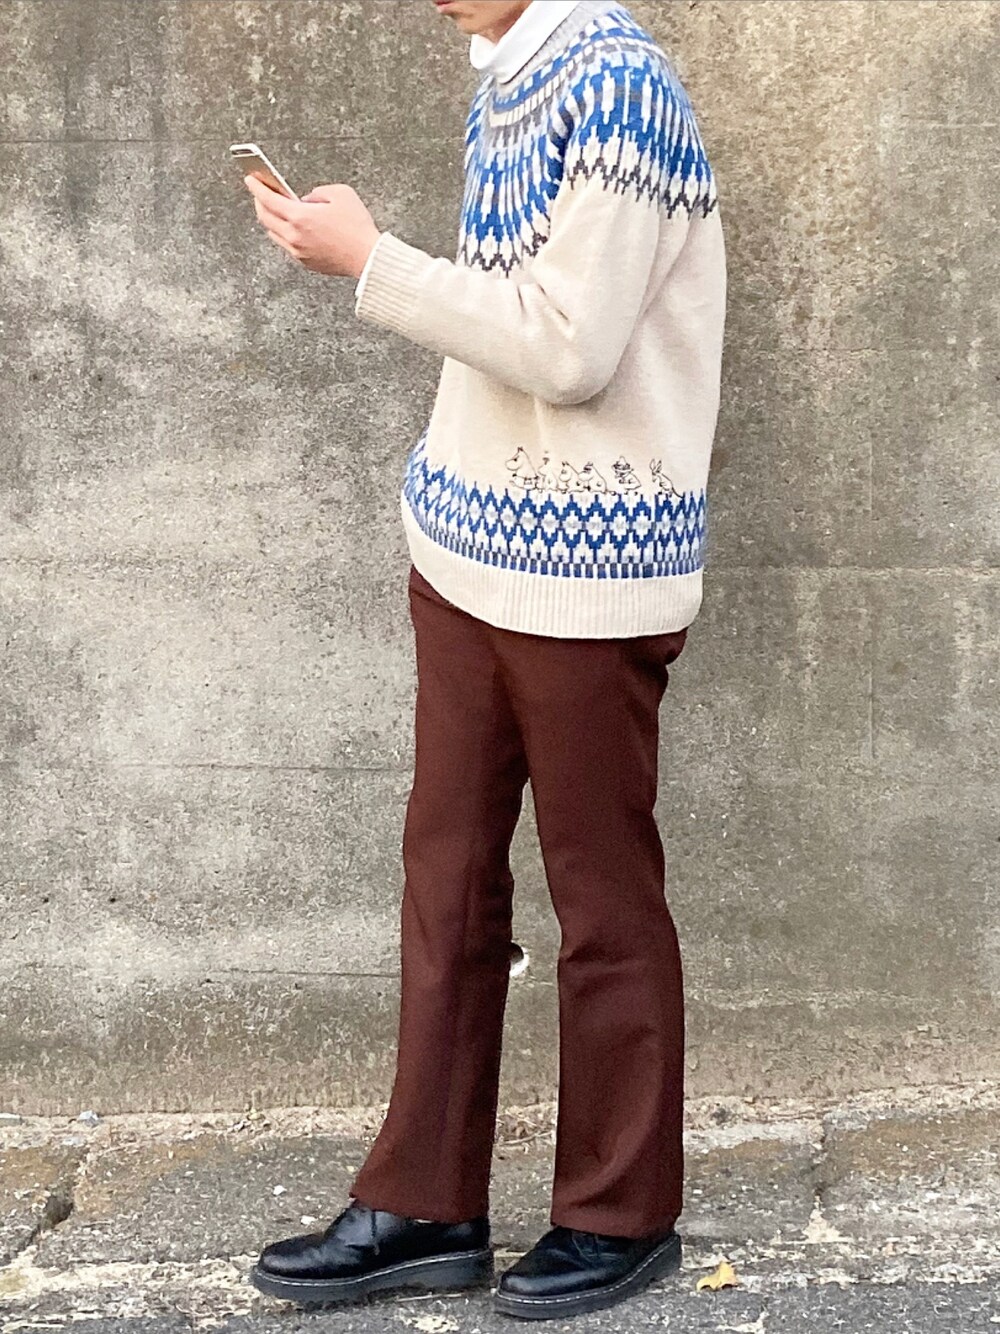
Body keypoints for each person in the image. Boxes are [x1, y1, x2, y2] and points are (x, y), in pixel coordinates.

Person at [244, 0, 726, 1320]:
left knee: (601, 893)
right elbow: (505, 319)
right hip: (467, 551)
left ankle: (621, 1212)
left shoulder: (618, 88)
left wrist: (372, 261)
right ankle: (423, 1203)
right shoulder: (510, 77)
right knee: (447, 880)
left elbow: (568, 347)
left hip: (588, 573)